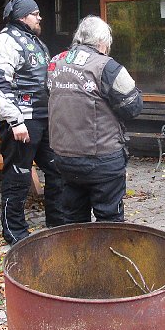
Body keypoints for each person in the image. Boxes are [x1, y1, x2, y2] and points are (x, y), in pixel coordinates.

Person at [47, 15, 143, 223]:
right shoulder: (107, 66)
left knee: (73, 219)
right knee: (109, 219)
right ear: (102, 41)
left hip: (65, 158)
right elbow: (133, 107)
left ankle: (77, 246)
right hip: (102, 158)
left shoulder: (55, 63)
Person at [0, 0, 66, 244]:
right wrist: (16, 122)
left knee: (57, 168)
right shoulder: (4, 42)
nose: (40, 17)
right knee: (18, 174)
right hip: (21, 122)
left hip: (43, 119)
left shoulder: (36, 42)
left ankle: (58, 222)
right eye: (35, 13)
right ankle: (14, 231)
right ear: (22, 16)